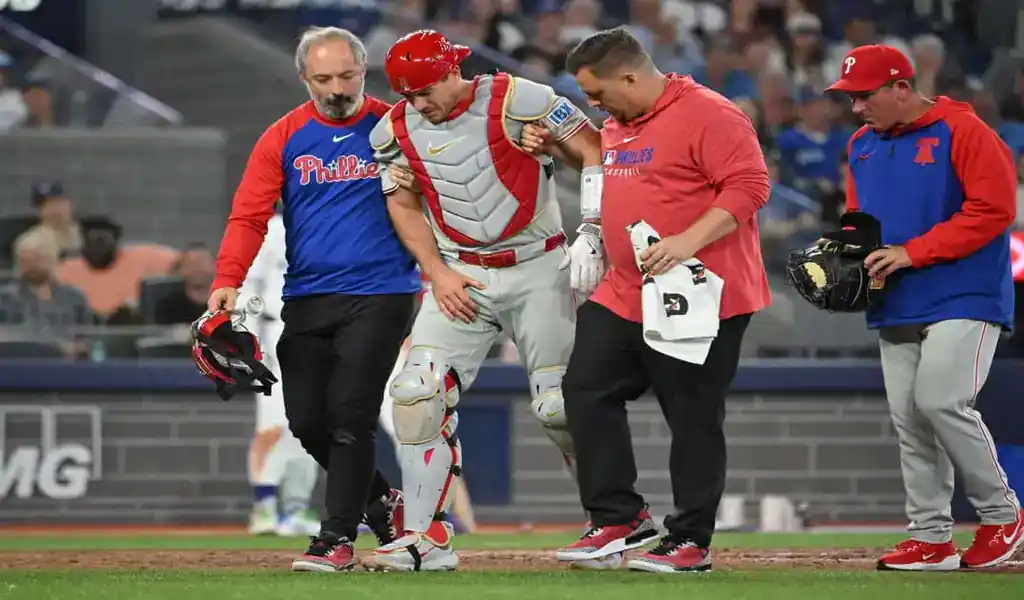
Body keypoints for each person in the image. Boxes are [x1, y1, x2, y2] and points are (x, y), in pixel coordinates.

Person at [522, 26, 772, 573]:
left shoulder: (711, 114)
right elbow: (618, 172)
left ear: (630, 77)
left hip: (699, 290)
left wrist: (686, 241)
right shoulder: (621, 120)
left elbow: (751, 186)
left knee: (691, 415)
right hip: (625, 288)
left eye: (598, 93)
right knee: (584, 389)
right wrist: (559, 149)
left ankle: (690, 541)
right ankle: (619, 517)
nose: (594, 105)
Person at [365, 29, 605, 572]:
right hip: (462, 274)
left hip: (539, 265)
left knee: (561, 406)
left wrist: (591, 227)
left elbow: (593, 148)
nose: (419, 103)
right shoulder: (394, 131)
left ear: (453, 71)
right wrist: (436, 272)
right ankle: (425, 538)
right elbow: (402, 204)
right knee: (415, 392)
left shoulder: (520, 98)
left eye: (426, 90)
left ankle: (612, 521)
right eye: (408, 94)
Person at [208, 26, 414, 572]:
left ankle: (335, 538)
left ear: (364, 72)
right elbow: (249, 214)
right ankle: (381, 501)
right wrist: (227, 279)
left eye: (347, 76)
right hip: (306, 293)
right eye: (323, 79)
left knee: (351, 414)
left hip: (383, 290)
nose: (337, 88)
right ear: (303, 77)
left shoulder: (397, 126)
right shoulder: (283, 136)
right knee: (304, 420)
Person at [825, 44, 1023, 571]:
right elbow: (859, 219)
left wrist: (913, 251)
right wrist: (845, 253)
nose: (856, 107)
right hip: (897, 298)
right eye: (850, 98)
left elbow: (994, 210)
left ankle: (1002, 514)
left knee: (940, 401)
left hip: (965, 292)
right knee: (910, 421)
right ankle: (930, 537)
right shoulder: (862, 144)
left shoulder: (964, 130)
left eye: (865, 95)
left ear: (901, 87)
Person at [236, 208, 322, 538]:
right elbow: (247, 286)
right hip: (274, 332)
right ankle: (265, 505)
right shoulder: (269, 229)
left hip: (318, 333)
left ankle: (297, 507)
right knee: (272, 423)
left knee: (311, 425)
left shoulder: (330, 225)